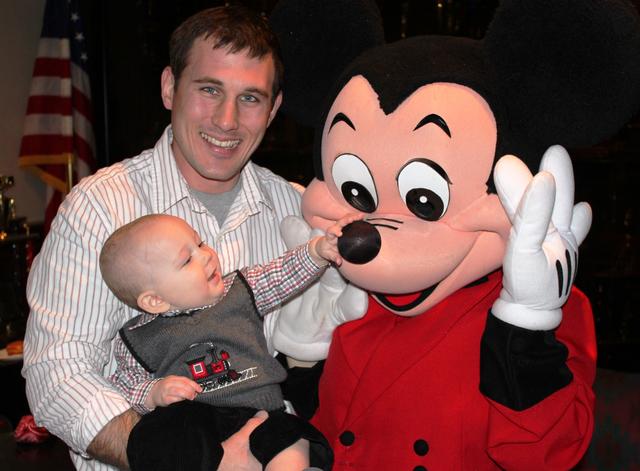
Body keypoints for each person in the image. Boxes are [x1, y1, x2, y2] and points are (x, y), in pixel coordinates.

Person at [22, 5, 363, 470]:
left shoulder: (296, 211)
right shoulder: (98, 207)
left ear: (274, 109)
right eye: (209, 89)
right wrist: (185, 459)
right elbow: (57, 375)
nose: (227, 120)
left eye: (251, 98)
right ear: (169, 87)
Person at [100, 213, 356, 470]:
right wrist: (153, 392)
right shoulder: (139, 337)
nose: (206, 255)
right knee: (154, 435)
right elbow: (125, 383)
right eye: (188, 260)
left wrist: (317, 251)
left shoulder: (240, 289)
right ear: (155, 301)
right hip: (197, 423)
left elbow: (281, 274)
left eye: (200, 244)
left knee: (291, 437)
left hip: (261, 409)